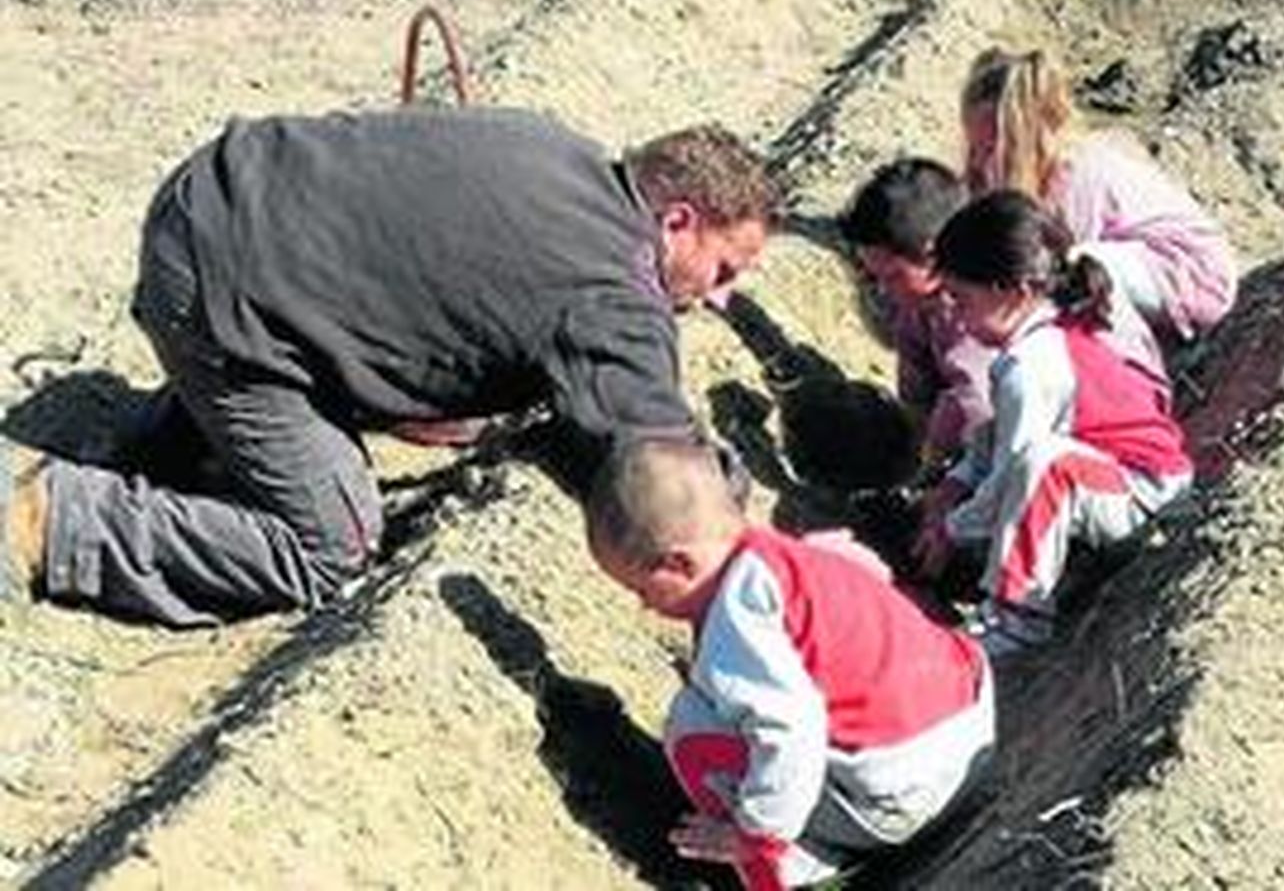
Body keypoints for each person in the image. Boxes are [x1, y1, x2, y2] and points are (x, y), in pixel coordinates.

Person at [0, 107, 778, 626]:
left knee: (322, 343)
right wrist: (762, 557)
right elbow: (664, 466)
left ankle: (160, 450)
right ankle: (51, 519)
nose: (717, 300)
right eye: (724, 271)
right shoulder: (615, 291)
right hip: (218, 293)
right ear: (678, 221)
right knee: (325, 543)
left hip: (215, 192)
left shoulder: (557, 147)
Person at [586, 436, 994, 890]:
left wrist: (757, 833)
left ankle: (795, 871)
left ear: (679, 564)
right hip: (970, 738)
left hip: (903, 796)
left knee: (690, 728)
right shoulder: (783, 554)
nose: (644, 607)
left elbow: (791, 727)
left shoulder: (737, 614)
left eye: (642, 589)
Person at [913, 191, 1193, 656]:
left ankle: (1017, 616)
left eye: (962, 300)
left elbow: (1011, 473)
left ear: (1013, 291)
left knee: (1046, 464)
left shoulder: (1034, 365)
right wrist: (954, 488)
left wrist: (951, 530)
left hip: (1145, 496)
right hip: (1113, 479)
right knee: (1031, 466)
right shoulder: (1044, 335)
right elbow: (993, 439)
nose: (957, 319)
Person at [961, 47, 1238, 351]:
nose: (977, 162)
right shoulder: (1030, 175)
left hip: (1190, 274)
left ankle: (1127, 361)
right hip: (1141, 268)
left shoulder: (1076, 176)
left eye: (988, 149)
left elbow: (1072, 278)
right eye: (973, 148)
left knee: (1075, 266)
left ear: (1025, 139)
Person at [837, 158, 996, 466]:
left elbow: (974, 405)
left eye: (893, 276)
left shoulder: (980, 317)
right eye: (875, 277)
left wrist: (936, 460)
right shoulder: (918, 309)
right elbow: (915, 388)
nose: (883, 291)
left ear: (932, 255)